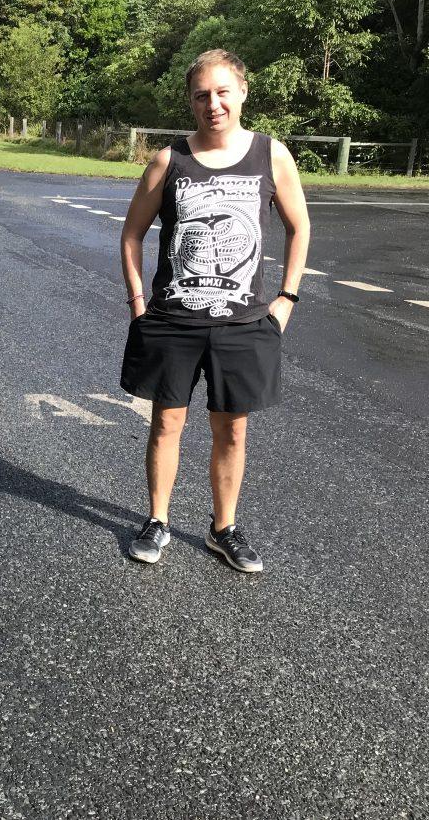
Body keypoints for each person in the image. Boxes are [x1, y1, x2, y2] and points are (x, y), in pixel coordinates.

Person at [119, 49, 311, 572]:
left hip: (243, 323)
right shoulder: (169, 160)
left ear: (243, 92)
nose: (214, 104)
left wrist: (287, 299)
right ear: (190, 101)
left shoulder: (271, 155)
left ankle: (223, 529)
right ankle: (157, 520)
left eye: (223, 92)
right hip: (173, 321)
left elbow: (299, 227)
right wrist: (139, 305)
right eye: (202, 95)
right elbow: (132, 234)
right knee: (166, 423)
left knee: (232, 429)